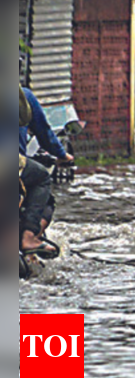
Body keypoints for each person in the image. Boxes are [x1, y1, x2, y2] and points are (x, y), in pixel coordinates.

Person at [18, 88, 58, 259]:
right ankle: (28, 237)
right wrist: (63, 154)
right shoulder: (22, 95)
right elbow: (40, 128)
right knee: (42, 178)